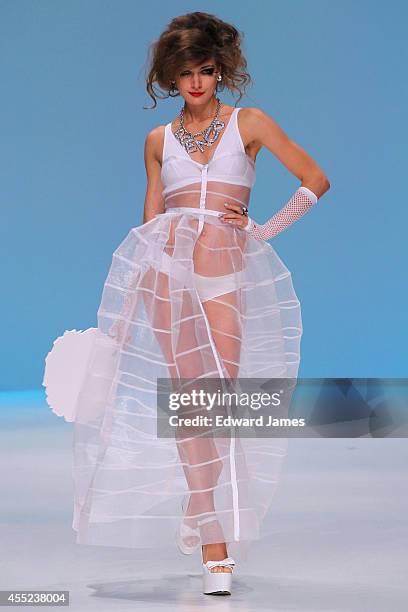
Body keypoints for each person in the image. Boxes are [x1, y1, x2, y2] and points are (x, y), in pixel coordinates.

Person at [43, 11, 330, 596]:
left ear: (220, 70)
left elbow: (315, 178)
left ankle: (199, 504)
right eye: (184, 72)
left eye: (205, 69)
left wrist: (263, 230)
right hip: (168, 281)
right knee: (190, 405)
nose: (196, 82)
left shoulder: (249, 123)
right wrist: (133, 300)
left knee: (219, 401)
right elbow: (149, 224)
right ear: (167, 78)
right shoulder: (157, 141)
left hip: (225, 277)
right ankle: (214, 546)